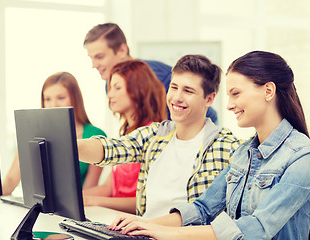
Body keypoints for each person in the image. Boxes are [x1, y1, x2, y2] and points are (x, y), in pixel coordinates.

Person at [109, 51, 310, 240]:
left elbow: (258, 228)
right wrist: (147, 224)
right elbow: (202, 209)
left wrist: (165, 233)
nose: (229, 105)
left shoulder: (304, 156)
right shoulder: (244, 153)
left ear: (268, 91)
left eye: (236, 94)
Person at [77, 54, 242, 218]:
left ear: (209, 99)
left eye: (188, 91)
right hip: (143, 232)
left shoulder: (227, 147)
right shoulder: (154, 136)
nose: (177, 97)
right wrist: (68, 145)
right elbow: (110, 149)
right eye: (174, 87)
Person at [83, 22, 218, 124]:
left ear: (122, 50)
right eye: (91, 58)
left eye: (99, 57)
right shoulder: (109, 83)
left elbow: (208, 115)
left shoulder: (156, 76)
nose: (94, 65)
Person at [83, 60, 167, 214]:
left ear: (138, 90)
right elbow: (109, 188)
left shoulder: (154, 136)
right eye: (110, 88)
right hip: (115, 219)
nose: (110, 94)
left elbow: (147, 201)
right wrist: (76, 197)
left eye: (117, 88)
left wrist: (94, 201)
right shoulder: (126, 135)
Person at [2, 72, 107, 196]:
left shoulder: (95, 135)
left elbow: (88, 191)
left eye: (61, 98)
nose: (53, 105)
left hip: (78, 210)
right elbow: (11, 180)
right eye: (47, 99)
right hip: (38, 208)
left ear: (75, 99)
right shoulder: (32, 134)